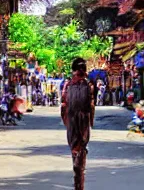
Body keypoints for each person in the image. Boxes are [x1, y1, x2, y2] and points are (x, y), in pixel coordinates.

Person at [61, 58, 94, 190]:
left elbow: (63, 104)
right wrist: (90, 121)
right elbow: (91, 105)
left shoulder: (68, 85)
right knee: (81, 148)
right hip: (83, 121)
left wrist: (67, 121)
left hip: (73, 120)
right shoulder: (89, 84)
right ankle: (79, 180)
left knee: (75, 149)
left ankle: (78, 176)